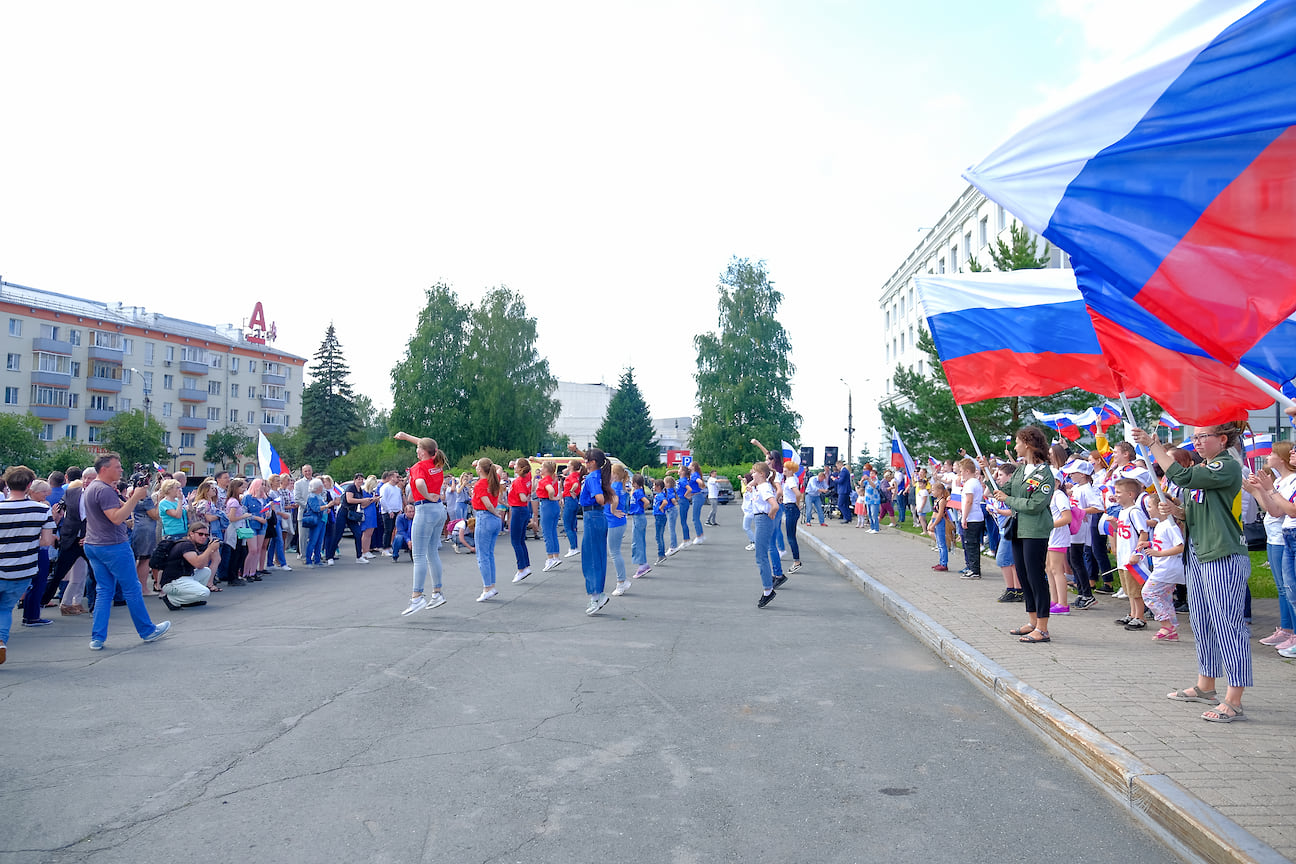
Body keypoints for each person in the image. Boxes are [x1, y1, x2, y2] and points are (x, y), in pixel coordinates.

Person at [1133, 423, 1252, 722]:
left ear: (1222, 439)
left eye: (1203, 437)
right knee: (1202, 622)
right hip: (1198, 554)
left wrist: (1152, 445)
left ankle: (1234, 699)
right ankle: (1205, 685)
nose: (1196, 442)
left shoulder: (1227, 466)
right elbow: (1195, 509)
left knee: (1228, 625)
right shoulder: (1207, 468)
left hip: (1222, 554)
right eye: (1195, 437)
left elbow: (1182, 475)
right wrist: (1176, 512)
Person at [82, 455, 171, 651]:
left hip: (94, 544)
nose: (121, 470)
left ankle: (97, 637)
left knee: (104, 591)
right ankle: (147, 630)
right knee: (131, 588)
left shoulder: (93, 488)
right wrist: (136, 497)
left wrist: (129, 500)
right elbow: (116, 518)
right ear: (105, 469)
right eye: (117, 467)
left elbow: (116, 512)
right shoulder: (103, 490)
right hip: (112, 545)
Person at [986, 426, 1055, 645]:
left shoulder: (1044, 474)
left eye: (1017, 442)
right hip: (1017, 528)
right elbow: (1007, 492)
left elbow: (1035, 505)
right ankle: (1032, 621)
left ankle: (1043, 628)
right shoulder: (1020, 470)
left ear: (1027, 444)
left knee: (1036, 577)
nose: (1015, 446)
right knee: (1024, 576)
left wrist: (1008, 499)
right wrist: (988, 477)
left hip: (1034, 530)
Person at [0, 467, 57, 663]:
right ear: (29, 485)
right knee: (5, 609)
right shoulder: (42, 510)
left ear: (7, 484)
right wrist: (27, 541)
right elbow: (47, 542)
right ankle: (1, 642)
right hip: (23, 570)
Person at [1244, 440, 1296, 653]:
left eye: (1273, 453)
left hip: (1284, 537)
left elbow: (1286, 510)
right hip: (1279, 536)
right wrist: (1257, 491)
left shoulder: (1291, 479)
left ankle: (1291, 631)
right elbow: (1274, 509)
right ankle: (1287, 629)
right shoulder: (1285, 480)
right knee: (1285, 588)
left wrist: (1267, 490)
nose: (1267, 456)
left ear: (1281, 458)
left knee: (1288, 588)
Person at [393, 431, 450, 615]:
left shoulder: (419, 467)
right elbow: (428, 445)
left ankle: (417, 597)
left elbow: (418, 484)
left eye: (418, 448)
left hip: (425, 509)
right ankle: (437, 593)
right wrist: (407, 437)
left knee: (418, 555)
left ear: (424, 452)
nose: (416, 450)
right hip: (439, 510)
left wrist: (426, 496)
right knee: (432, 553)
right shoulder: (437, 462)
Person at [570, 444, 614, 614]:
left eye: (587, 461)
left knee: (591, 557)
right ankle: (597, 594)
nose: (584, 463)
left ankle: (596, 595)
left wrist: (594, 496)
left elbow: (600, 499)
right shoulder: (598, 474)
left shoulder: (592, 478)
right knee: (596, 556)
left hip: (592, 516)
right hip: (596, 516)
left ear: (593, 462)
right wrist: (577, 451)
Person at [1104, 478, 1150, 629]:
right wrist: (1114, 524)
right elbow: (1123, 532)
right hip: (1124, 557)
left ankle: (1140, 616)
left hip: (1132, 558)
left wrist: (1137, 552)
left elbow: (1143, 533)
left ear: (1130, 494)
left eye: (1118, 492)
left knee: (1135, 589)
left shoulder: (1135, 512)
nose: (1115, 495)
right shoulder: (1123, 512)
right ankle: (1132, 613)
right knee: (1128, 588)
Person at [1139, 499, 1185, 641]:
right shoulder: (1161, 525)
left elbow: (1180, 546)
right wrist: (1150, 544)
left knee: (1148, 593)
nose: (1149, 510)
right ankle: (1171, 628)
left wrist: (1159, 554)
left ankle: (1166, 624)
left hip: (1168, 568)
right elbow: (1164, 543)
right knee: (1164, 597)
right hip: (1164, 567)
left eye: (1151, 506)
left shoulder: (1170, 525)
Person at [159, 520, 219, 610]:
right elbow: (198, 564)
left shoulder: (191, 544)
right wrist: (209, 549)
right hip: (172, 582)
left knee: (206, 571)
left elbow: (202, 566)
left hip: (183, 577)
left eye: (206, 535)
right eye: (200, 534)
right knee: (205, 592)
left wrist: (209, 550)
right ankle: (173, 600)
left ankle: (191, 600)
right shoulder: (186, 545)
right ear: (191, 533)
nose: (203, 537)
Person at [1065, 460, 1100, 611]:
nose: (1071, 475)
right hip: (1073, 527)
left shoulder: (1087, 489)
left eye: (1074, 473)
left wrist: (1081, 512)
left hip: (1080, 528)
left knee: (1076, 561)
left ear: (1083, 475)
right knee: (1073, 561)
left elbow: (1098, 506)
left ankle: (1087, 594)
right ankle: (1081, 592)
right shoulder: (1078, 488)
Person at [750, 461, 782, 608]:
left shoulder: (764, 487)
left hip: (763, 519)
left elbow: (774, 505)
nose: (751, 474)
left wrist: (770, 514)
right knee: (761, 554)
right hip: (761, 518)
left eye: (754, 472)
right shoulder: (761, 486)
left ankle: (768, 590)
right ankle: (768, 588)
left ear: (761, 474)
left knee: (761, 556)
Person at [471, 458, 503, 602]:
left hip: (485, 516)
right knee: (489, 554)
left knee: (482, 555)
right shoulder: (494, 480)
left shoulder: (480, 484)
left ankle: (487, 587)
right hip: (493, 519)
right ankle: (491, 585)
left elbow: (488, 504)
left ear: (480, 469)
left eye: (478, 466)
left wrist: (495, 512)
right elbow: (499, 468)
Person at [956, 459, 985, 580]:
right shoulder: (976, 482)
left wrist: (964, 517)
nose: (961, 473)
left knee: (971, 544)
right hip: (977, 516)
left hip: (972, 517)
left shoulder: (970, 483)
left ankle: (974, 570)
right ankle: (973, 568)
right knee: (973, 544)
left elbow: (969, 501)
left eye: (962, 471)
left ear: (967, 471)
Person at [507, 457, 533, 583]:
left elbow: (522, 498)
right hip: (523, 509)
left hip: (518, 509)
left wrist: (522, 495)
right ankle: (525, 565)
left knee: (515, 541)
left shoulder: (518, 481)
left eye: (516, 465)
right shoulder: (527, 477)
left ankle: (521, 568)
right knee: (521, 540)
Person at [535, 460, 563, 573]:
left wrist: (551, 496)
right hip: (554, 506)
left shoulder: (544, 480)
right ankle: (555, 556)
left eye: (542, 467)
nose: (540, 469)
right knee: (552, 532)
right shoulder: (553, 478)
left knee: (547, 533)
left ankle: (550, 558)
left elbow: (550, 490)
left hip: (547, 504)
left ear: (546, 470)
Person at [607, 464, 631, 596]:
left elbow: (614, 499)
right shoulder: (619, 485)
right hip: (617, 522)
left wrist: (612, 510)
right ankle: (622, 581)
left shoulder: (615, 486)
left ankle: (621, 582)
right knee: (614, 552)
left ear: (614, 474)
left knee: (615, 553)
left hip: (615, 522)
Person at [627, 473, 651, 578]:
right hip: (637, 517)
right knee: (637, 541)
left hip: (638, 517)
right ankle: (642, 563)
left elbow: (646, 502)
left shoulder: (638, 492)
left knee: (637, 542)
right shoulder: (636, 492)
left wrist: (640, 509)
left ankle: (642, 564)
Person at [781, 462, 803, 573]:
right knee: (791, 535)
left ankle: (796, 561)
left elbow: (798, 494)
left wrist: (797, 504)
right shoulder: (792, 478)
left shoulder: (790, 480)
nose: (784, 469)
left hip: (791, 507)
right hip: (790, 506)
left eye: (786, 468)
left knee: (790, 536)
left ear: (791, 470)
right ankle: (796, 560)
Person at [302, 479, 328, 566]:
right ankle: (308, 560)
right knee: (313, 540)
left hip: (322, 520)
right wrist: (326, 506)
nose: (322, 487)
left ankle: (317, 559)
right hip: (316, 520)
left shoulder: (319, 496)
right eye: (321, 486)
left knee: (319, 541)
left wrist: (326, 509)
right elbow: (316, 508)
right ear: (317, 487)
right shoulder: (312, 497)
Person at [561, 459, 583, 558]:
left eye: (569, 465)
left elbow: (575, 484)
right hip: (573, 501)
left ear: (573, 467)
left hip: (569, 500)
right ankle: (574, 547)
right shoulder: (575, 475)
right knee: (572, 525)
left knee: (567, 525)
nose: (567, 466)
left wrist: (571, 490)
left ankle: (573, 547)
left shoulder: (572, 476)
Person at [928, 481, 951, 571]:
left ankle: (944, 563)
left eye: (933, 490)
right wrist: (931, 522)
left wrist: (934, 524)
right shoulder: (936, 500)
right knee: (939, 543)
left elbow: (940, 514)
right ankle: (941, 561)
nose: (932, 492)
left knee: (941, 543)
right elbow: (934, 513)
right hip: (935, 520)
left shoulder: (942, 501)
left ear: (940, 491)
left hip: (940, 521)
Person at [293, 465, 314, 558]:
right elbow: (297, 498)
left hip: (316, 514)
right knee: (303, 537)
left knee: (314, 536)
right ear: (302, 472)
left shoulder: (317, 482)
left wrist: (317, 506)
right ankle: (304, 555)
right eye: (305, 471)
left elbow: (323, 494)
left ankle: (313, 554)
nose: (308, 473)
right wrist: (308, 506)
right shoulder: (298, 484)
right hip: (304, 514)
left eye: (309, 471)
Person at [652, 479, 669, 566]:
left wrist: (660, 508)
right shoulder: (659, 495)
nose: (653, 487)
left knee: (658, 536)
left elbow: (665, 502)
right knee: (659, 536)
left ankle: (661, 554)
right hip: (659, 517)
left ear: (658, 487)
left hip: (659, 516)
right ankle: (661, 554)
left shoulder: (660, 495)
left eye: (654, 485)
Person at [663, 475, 680, 555]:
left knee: (671, 528)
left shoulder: (669, 490)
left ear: (668, 483)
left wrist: (674, 502)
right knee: (671, 528)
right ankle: (673, 545)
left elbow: (673, 499)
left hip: (671, 510)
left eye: (665, 482)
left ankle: (673, 546)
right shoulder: (672, 489)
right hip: (672, 510)